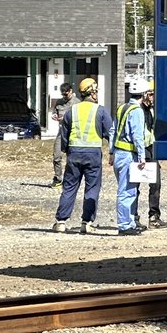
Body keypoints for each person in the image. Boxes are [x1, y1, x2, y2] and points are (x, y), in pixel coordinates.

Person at [52, 77, 114, 234]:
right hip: (93, 153)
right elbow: (110, 133)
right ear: (93, 93)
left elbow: (64, 135)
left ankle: (61, 222)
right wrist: (112, 152)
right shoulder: (100, 110)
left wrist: (67, 150)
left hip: (74, 153)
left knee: (69, 187)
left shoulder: (71, 111)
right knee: (92, 188)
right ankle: (86, 222)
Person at [110, 83, 148, 236]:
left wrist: (111, 152)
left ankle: (130, 222)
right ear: (143, 94)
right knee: (127, 191)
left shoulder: (122, 108)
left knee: (127, 189)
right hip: (128, 155)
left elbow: (113, 131)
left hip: (118, 153)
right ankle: (125, 225)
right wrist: (142, 156)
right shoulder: (137, 111)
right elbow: (137, 135)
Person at [134, 78, 167, 228]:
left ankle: (154, 216)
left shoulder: (153, 109)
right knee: (133, 186)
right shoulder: (137, 110)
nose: (152, 97)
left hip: (150, 150)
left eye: (154, 94)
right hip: (138, 151)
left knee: (155, 184)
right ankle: (133, 217)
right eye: (150, 94)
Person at [50, 82, 73, 187]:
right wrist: (54, 116)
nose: (64, 96)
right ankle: (58, 178)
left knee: (71, 158)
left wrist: (66, 119)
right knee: (56, 156)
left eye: (66, 94)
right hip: (61, 131)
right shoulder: (59, 102)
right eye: (63, 94)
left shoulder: (76, 103)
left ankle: (70, 180)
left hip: (73, 132)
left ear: (71, 91)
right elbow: (55, 111)